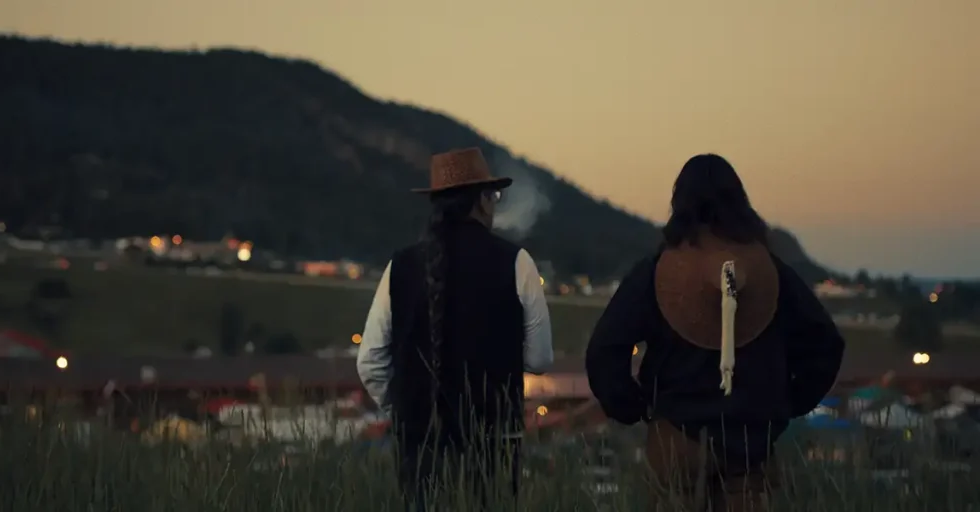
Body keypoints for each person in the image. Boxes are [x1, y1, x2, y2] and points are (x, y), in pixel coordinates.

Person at [585, 154, 845, 512]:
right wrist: (787, 402)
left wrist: (635, 406)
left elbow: (605, 349)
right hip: (753, 441)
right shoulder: (772, 273)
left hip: (677, 438)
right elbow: (825, 344)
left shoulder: (657, 271)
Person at [356, 147, 554, 510]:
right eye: (493, 196)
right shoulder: (517, 262)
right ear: (481, 201)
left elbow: (370, 362)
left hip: (420, 447)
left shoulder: (399, 266)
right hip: (494, 446)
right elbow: (540, 358)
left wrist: (405, 411)